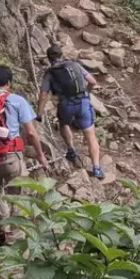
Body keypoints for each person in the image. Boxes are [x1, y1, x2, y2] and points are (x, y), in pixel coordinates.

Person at [0, 65, 49, 247]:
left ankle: (2, 233)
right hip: (11, 156)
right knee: (19, 194)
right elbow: (30, 133)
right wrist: (40, 155)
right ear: (8, 83)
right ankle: (15, 236)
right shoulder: (16, 100)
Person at [38, 45, 105, 179]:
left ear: (48, 58)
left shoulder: (50, 73)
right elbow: (92, 81)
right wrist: (87, 92)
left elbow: (44, 95)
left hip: (65, 104)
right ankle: (96, 168)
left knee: (64, 125)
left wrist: (39, 113)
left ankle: (71, 150)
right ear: (61, 55)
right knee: (91, 136)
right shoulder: (75, 65)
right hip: (83, 102)